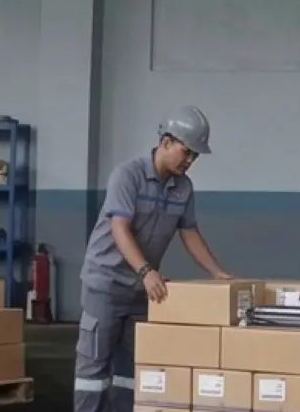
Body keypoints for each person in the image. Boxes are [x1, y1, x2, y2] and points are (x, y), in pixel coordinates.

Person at [74, 106, 232, 412]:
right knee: (93, 369)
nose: (189, 161)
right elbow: (119, 228)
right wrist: (147, 270)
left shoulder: (183, 188)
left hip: (141, 289)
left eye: (195, 157)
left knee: (130, 371)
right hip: (105, 284)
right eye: (186, 152)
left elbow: (189, 232)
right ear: (166, 141)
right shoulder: (128, 175)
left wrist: (218, 272)